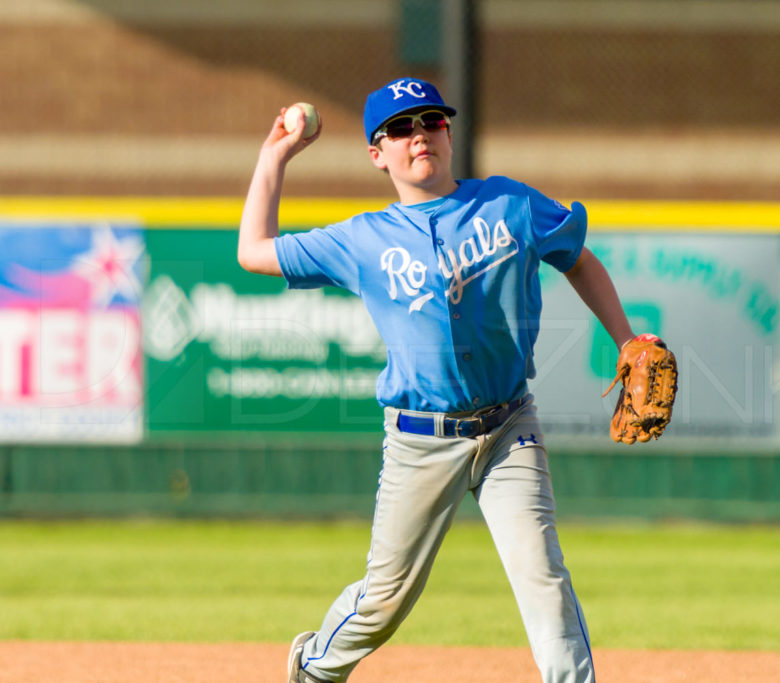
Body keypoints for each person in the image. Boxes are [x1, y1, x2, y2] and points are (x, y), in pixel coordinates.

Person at [238, 77, 638, 683]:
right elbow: (255, 250)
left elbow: (578, 258)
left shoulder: (509, 204)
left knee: (543, 574)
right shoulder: (362, 240)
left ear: (448, 133)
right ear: (378, 154)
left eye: (431, 121)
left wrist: (627, 340)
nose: (418, 134)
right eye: (400, 128)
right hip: (421, 440)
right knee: (384, 600)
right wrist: (275, 156)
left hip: (509, 426)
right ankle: (315, 667)